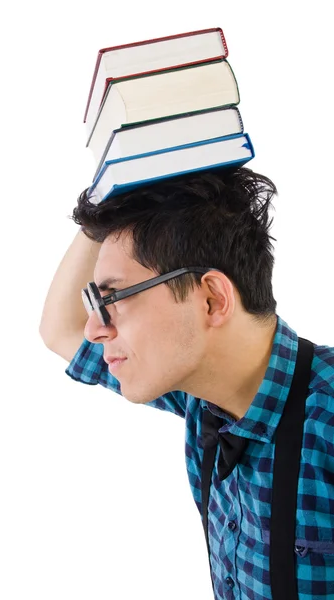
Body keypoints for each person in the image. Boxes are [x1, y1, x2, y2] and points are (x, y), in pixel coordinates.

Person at [39, 167, 334, 600]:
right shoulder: (201, 399)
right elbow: (59, 328)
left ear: (212, 299)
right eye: (95, 303)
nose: (95, 330)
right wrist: (114, 181)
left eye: (112, 299)